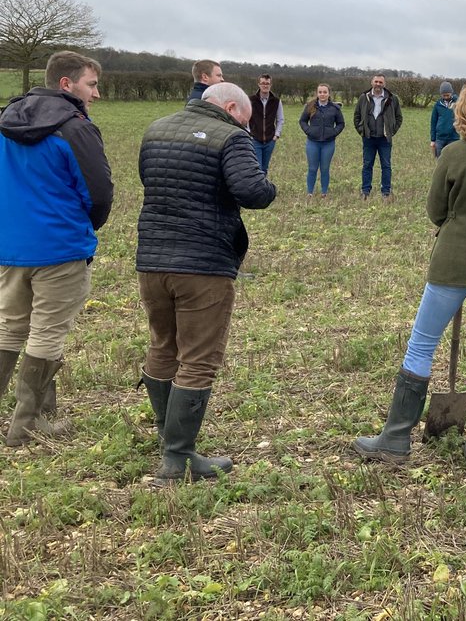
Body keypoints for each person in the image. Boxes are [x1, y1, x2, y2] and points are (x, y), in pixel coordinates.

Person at [353, 76, 466, 474]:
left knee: (421, 345)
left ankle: (395, 439)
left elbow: (436, 211)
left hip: (452, 261)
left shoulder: (453, 154)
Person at [137, 83, 276, 483]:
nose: (245, 128)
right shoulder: (230, 137)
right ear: (231, 108)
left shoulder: (156, 129)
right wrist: (270, 187)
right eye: (244, 121)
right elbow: (252, 191)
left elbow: (151, 181)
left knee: (163, 346)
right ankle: (178, 458)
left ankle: (168, 436)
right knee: (198, 359)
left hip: (152, 260)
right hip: (203, 264)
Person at [1, 52, 113, 446]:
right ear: (67, 84)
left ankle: (31, 416)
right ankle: (26, 424)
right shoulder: (75, 129)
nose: (96, 94)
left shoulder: (6, 121)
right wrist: (84, 225)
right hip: (60, 249)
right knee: (47, 333)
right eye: (91, 84)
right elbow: (99, 193)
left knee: (9, 327)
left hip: (10, 246)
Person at [353, 74, 403, 201]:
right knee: (367, 165)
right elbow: (357, 116)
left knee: (386, 165)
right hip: (368, 138)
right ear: (372, 82)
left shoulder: (392, 98)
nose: (378, 84)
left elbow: (399, 117)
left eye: (381, 82)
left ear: (384, 84)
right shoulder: (364, 97)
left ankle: (386, 191)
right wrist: (362, 130)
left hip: (384, 139)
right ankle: (365, 191)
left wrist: (391, 131)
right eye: (376, 81)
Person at [299, 85, 345, 197]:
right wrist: (309, 131)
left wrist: (334, 132)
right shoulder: (310, 106)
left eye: (325, 92)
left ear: (329, 94)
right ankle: (310, 192)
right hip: (312, 143)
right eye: (320, 92)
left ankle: (324, 193)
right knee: (312, 168)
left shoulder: (335, 108)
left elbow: (341, 123)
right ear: (317, 93)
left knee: (325, 169)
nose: (322, 94)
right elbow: (302, 121)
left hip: (328, 144)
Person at [248, 73, 284, 174]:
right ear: (259, 84)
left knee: (264, 168)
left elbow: (280, 119)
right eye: (263, 83)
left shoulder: (276, 101)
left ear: (270, 85)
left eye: (267, 83)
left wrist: (276, 135)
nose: (265, 85)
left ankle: (263, 184)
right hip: (255, 139)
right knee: (257, 167)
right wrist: (249, 133)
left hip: (270, 141)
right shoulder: (250, 100)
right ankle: (258, 184)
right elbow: (245, 118)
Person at [430, 81, 459, 157]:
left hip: (454, 137)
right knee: (440, 159)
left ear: (451, 93)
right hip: (440, 138)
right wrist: (433, 140)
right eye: (444, 95)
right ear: (441, 94)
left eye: (447, 95)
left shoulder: (458, 103)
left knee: (453, 159)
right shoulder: (437, 105)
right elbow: (433, 122)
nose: (446, 97)